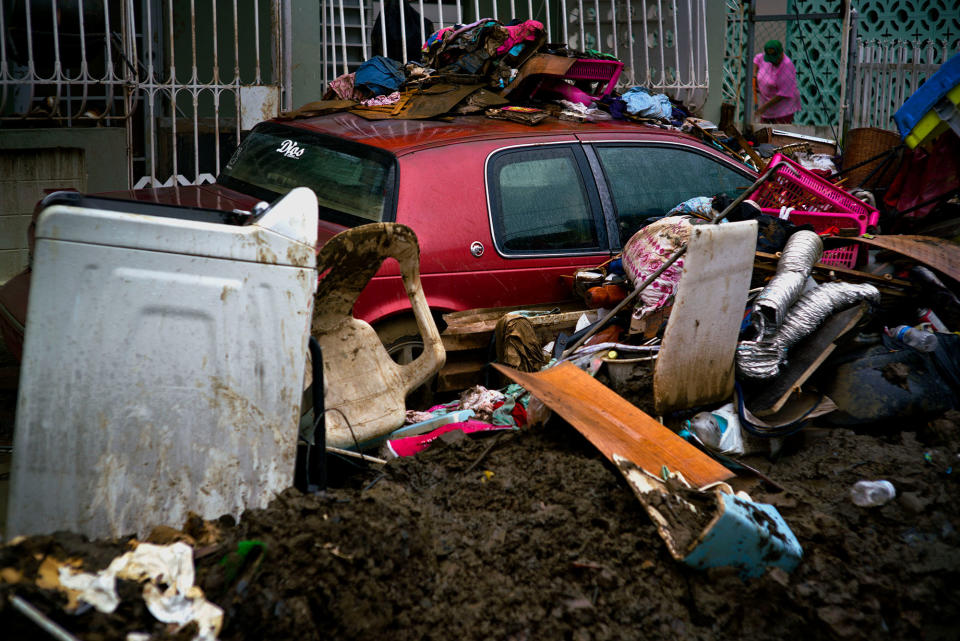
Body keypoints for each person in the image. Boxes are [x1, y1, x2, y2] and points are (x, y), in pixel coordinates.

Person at [753, 40, 801, 124]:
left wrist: (762, 109)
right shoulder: (763, 57)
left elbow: (782, 94)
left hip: (783, 109)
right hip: (766, 107)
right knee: (764, 133)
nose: (772, 61)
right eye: (770, 58)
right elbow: (757, 60)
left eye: (775, 58)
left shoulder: (787, 66)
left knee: (779, 134)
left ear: (781, 53)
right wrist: (755, 75)